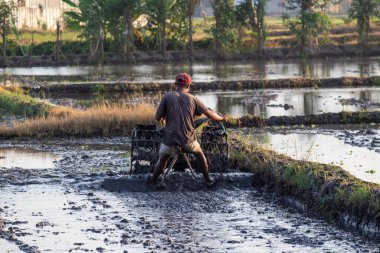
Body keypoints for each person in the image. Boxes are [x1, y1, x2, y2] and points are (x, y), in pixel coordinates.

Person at [149, 72, 227, 188]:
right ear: (188, 86)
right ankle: (207, 180)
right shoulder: (193, 99)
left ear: (175, 85)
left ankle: (153, 181)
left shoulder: (167, 96)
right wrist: (222, 118)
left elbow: (157, 117)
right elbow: (210, 114)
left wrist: (165, 117)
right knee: (199, 154)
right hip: (188, 140)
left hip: (169, 139)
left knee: (163, 159)